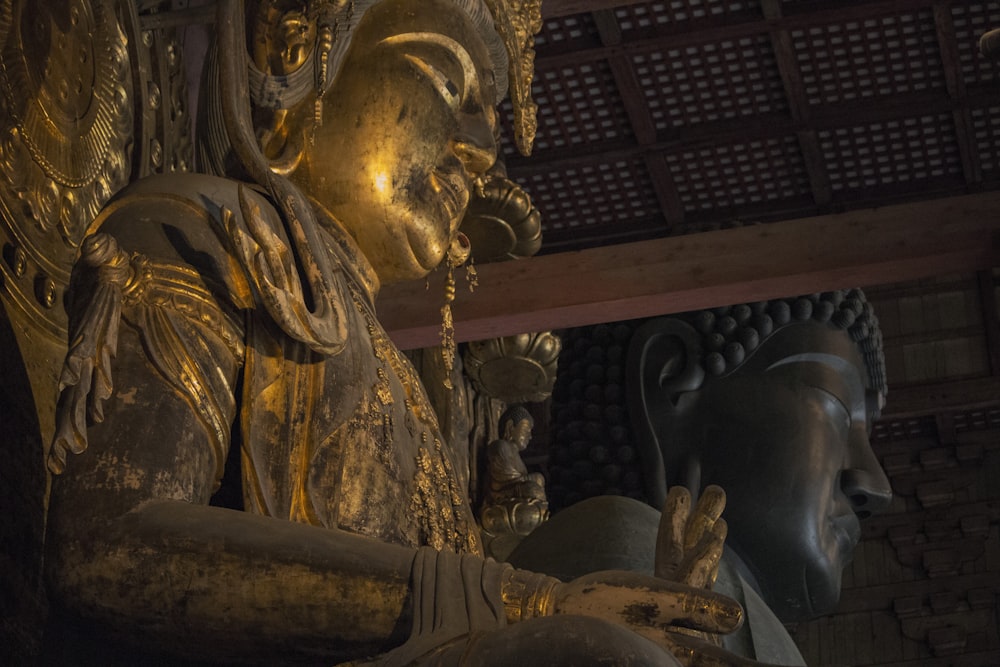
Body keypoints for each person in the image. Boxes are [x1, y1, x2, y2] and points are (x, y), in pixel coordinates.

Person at [42, 0, 748, 664]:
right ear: (301, 61)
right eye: (447, 81)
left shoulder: (405, 388)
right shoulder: (197, 235)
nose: (478, 149)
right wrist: (531, 605)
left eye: (488, 124)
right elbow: (107, 546)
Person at [511, 290, 893, 664]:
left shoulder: (749, 616)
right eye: (839, 410)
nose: (875, 484)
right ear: (669, 384)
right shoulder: (609, 540)